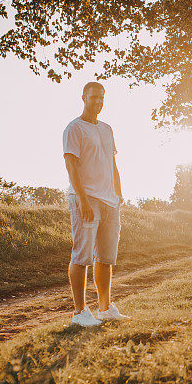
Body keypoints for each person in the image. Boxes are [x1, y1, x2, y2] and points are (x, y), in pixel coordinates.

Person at [63, 82, 131, 326]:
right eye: (93, 97)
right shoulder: (74, 128)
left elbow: (112, 164)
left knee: (106, 257)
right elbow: (71, 165)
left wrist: (118, 193)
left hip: (110, 201)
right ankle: (79, 313)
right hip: (87, 199)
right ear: (83, 97)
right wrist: (82, 199)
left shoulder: (107, 129)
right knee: (82, 256)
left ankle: (105, 308)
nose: (98, 101)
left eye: (101, 98)